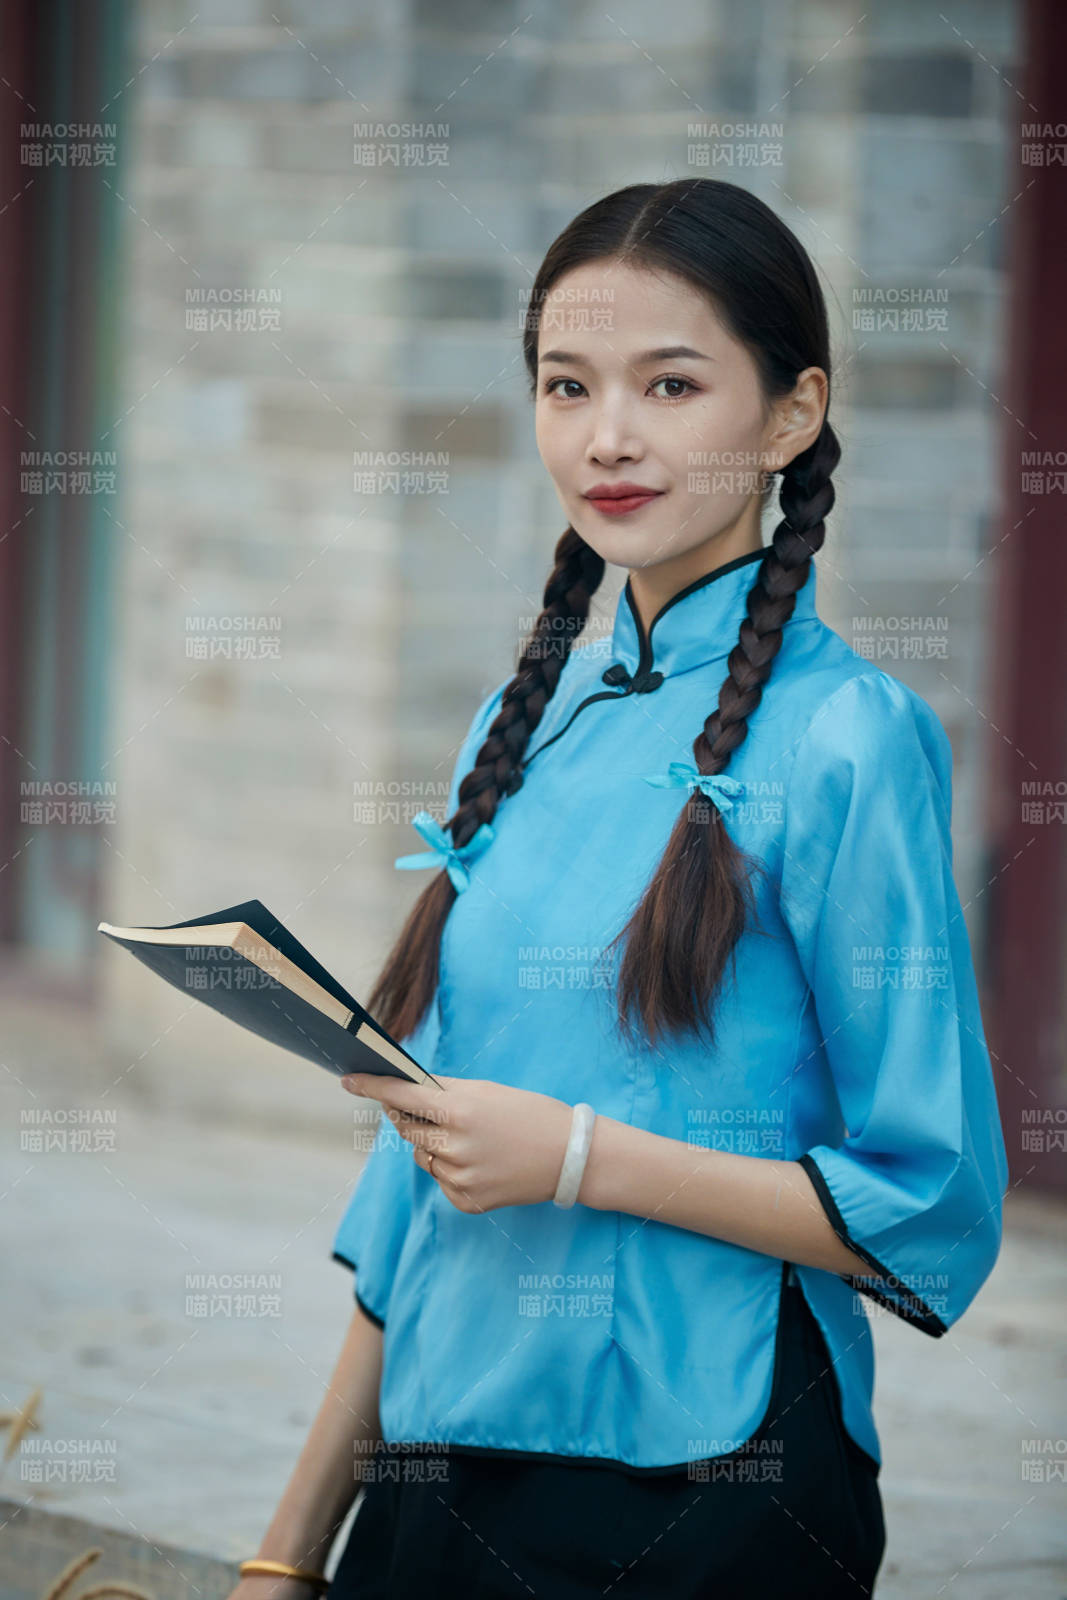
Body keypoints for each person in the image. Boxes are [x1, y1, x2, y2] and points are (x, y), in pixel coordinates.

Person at [229, 179, 1008, 1600]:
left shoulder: (852, 738)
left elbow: (931, 1193)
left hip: (712, 1479)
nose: (608, 438)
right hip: (439, 1469)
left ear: (789, 415)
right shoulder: (520, 726)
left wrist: (580, 1158)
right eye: (566, 384)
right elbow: (414, 1198)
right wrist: (285, 1554)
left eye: (671, 383)